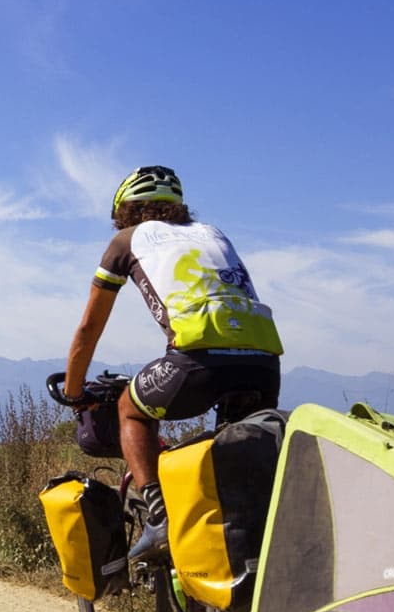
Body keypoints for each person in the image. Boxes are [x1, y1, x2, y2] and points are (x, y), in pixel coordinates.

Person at [63, 165, 281, 563]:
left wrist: (73, 391)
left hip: (199, 361)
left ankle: (159, 519)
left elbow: (87, 331)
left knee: (131, 408)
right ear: (178, 207)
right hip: (264, 362)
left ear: (125, 212)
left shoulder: (125, 240)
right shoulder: (214, 234)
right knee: (230, 463)